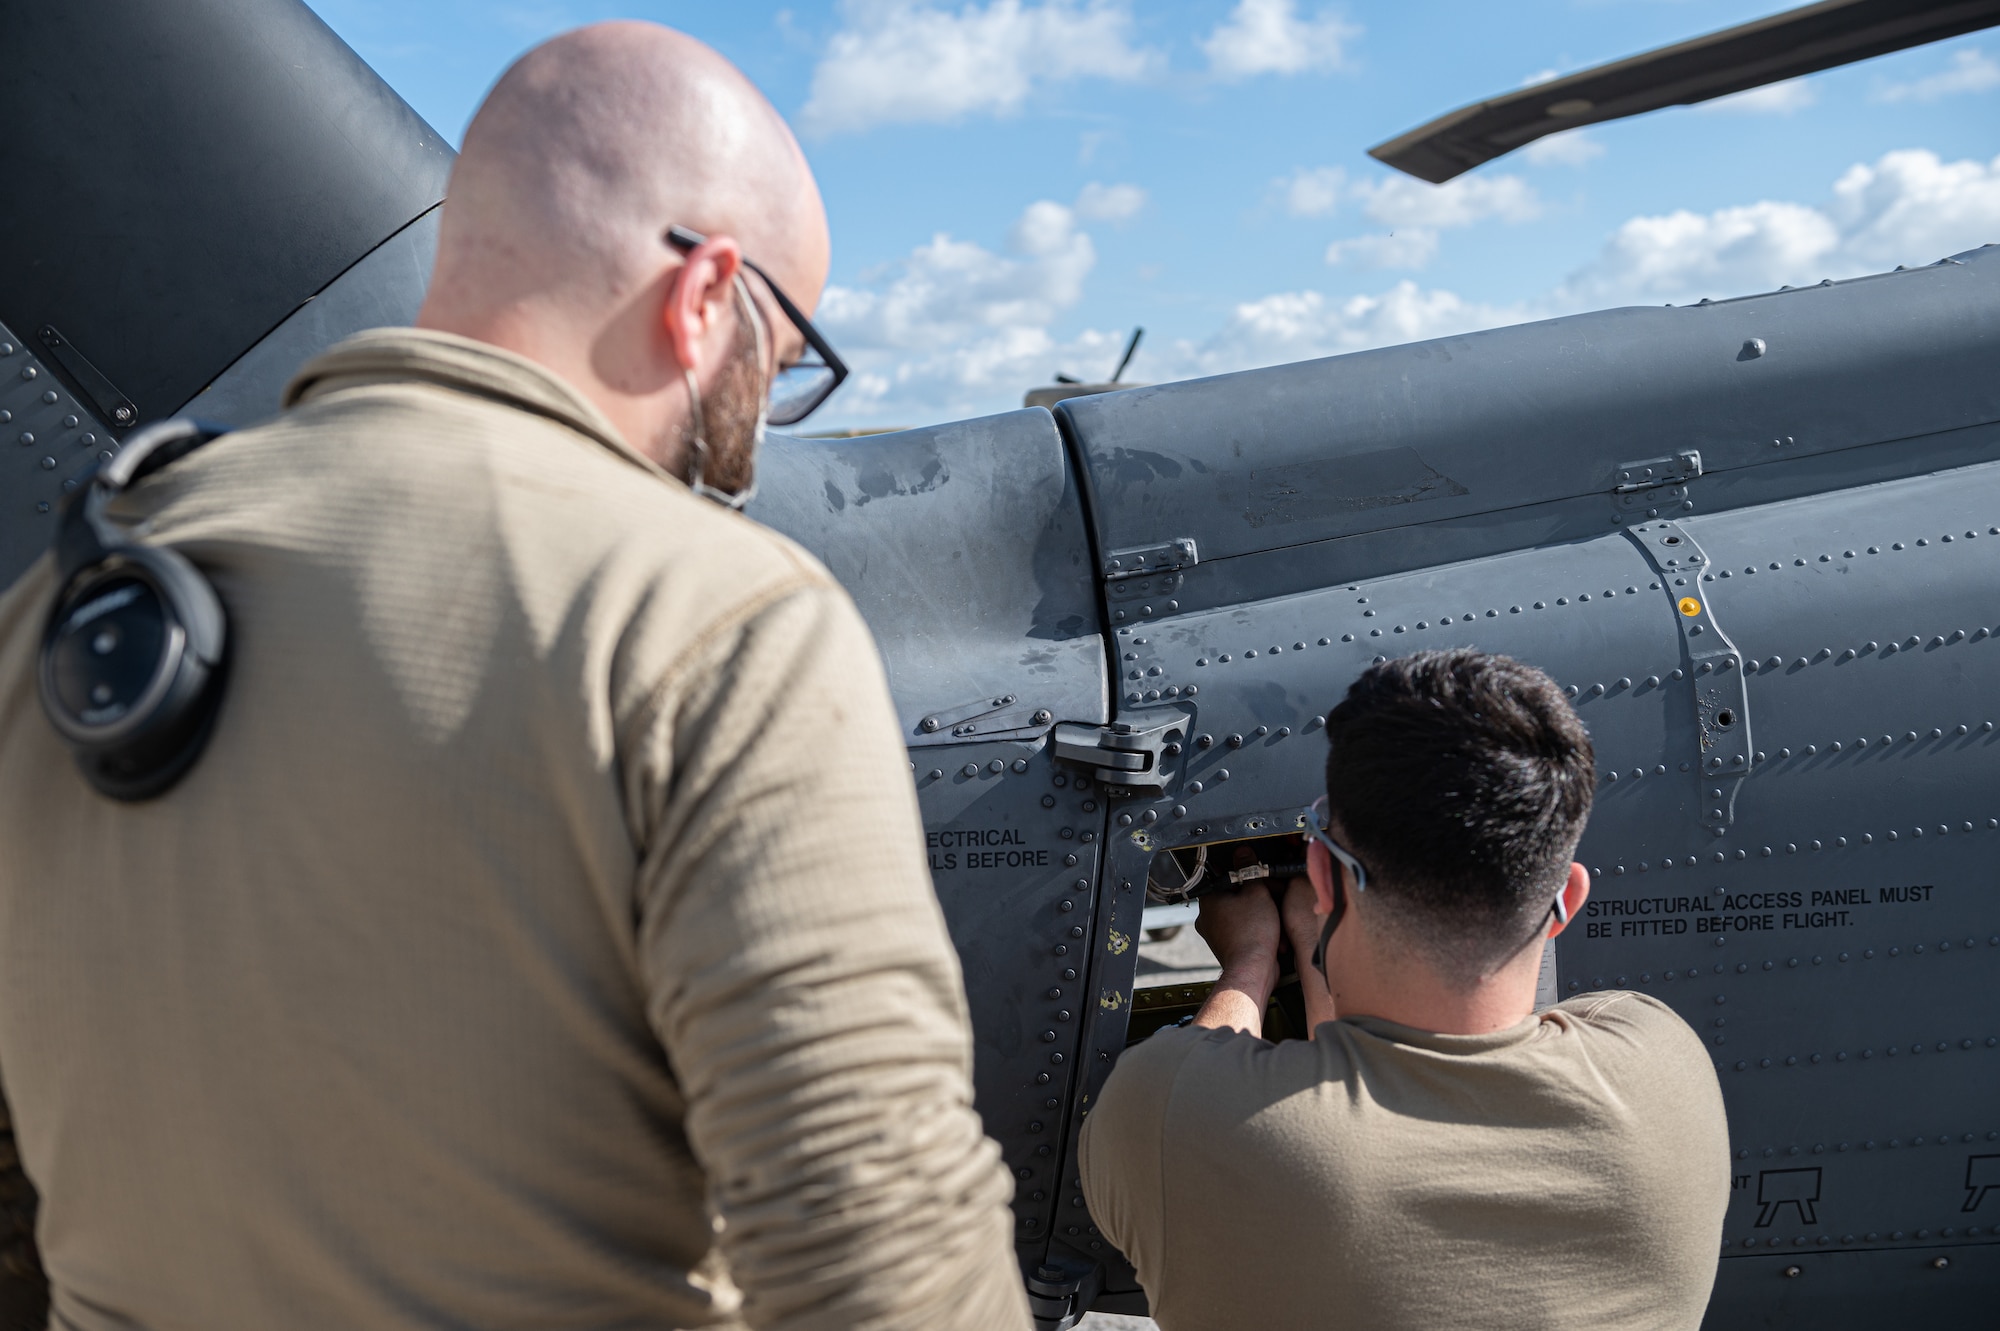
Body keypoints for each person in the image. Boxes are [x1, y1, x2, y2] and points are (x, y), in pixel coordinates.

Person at [0, 22, 1028, 1331]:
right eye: (778, 363)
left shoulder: (60, 611)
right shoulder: (711, 611)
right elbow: (883, 1252)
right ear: (707, 292)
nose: (758, 433)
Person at [1080, 649, 1729, 1330]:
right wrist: (1316, 940)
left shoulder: (1168, 1115)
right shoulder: (1669, 1067)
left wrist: (1253, 959)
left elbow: (1238, 1082)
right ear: (1565, 900)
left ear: (1324, 880)